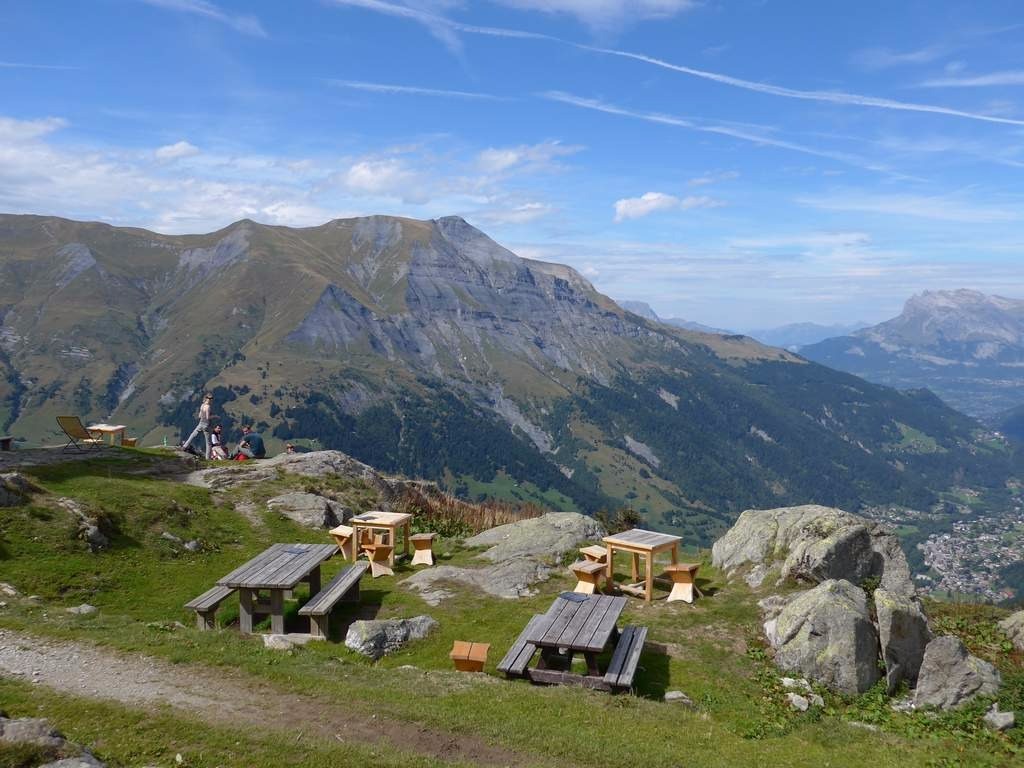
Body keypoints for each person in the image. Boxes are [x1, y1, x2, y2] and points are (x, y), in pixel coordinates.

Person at [180, 393, 213, 459]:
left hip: (200, 423)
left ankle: (185, 446)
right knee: (208, 443)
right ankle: (207, 458)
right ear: (207, 398)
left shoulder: (202, 405)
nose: (211, 400)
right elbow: (208, 417)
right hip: (206, 424)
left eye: (211, 398)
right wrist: (215, 416)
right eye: (210, 398)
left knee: (193, 435)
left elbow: (199, 416)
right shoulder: (208, 407)